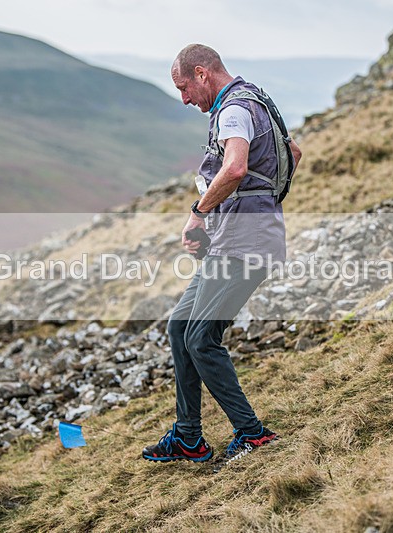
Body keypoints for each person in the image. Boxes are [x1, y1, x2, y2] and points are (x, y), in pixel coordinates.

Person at [142, 44, 302, 464]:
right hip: (239, 238)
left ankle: (252, 434)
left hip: (244, 244)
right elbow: (293, 153)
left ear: (201, 73)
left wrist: (200, 213)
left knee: (200, 338)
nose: (184, 99)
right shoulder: (254, 98)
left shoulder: (232, 110)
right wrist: (260, 200)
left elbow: (233, 168)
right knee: (180, 327)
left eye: (184, 87)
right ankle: (188, 437)